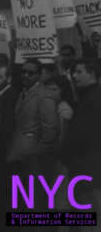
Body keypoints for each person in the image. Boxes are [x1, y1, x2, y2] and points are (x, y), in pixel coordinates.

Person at [8, 59, 60, 213]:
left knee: (35, 204)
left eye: (30, 73)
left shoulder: (44, 95)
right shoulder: (24, 93)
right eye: (23, 72)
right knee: (23, 204)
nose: (25, 75)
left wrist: (36, 153)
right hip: (20, 156)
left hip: (35, 159)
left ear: (40, 74)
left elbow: (51, 130)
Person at [61, 59, 101, 230]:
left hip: (86, 170)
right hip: (85, 168)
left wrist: (71, 120)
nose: (74, 76)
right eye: (73, 72)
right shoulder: (88, 96)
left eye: (79, 72)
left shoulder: (92, 99)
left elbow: (83, 135)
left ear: (91, 73)